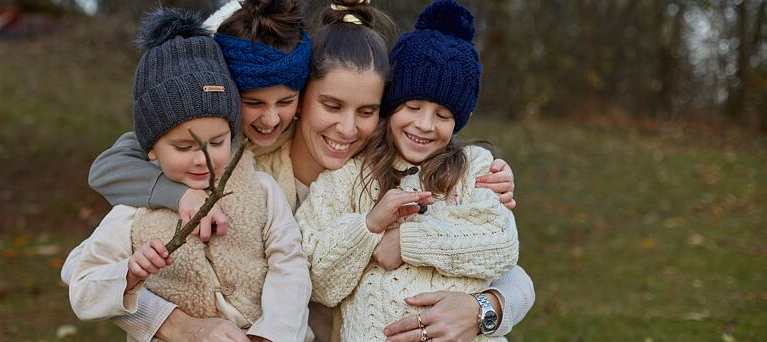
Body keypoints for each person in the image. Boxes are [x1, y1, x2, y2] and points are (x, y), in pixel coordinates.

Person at [62, 0, 533, 341]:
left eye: (367, 111)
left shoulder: (393, 171)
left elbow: (512, 272)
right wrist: (178, 324)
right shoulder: (229, 166)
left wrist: (484, 308)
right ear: (303, 94)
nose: (347, 128)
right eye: (330, 105)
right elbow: (127, 249)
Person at [65, 9, 311, 342]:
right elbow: (82, 281)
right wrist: (129, 274)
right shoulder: (134, 211)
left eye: (218, 142)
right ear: (150, 148)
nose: (203, 159)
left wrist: (274, 334)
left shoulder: (261, 189)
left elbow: (290, 264)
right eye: (184, 146)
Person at [297, 1, 520, 341]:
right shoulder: (344, 180)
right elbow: (320, 285)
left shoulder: (472, 168)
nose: (425, 124)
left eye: (443, 116)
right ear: (391, 105)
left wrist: (406, 241)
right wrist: (368, 227)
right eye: (413, 107)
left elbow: (501, 246)